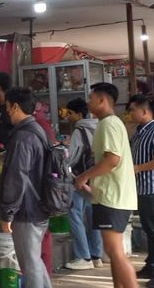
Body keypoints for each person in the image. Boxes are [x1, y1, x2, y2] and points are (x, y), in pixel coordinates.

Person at [75, 83, 138, 288]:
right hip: (113, 195)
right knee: (113, 252)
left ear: (102, 101)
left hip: (113, 197)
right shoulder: (113, 123)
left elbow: (112, 159)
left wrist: (84, 176)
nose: (88, 102)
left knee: (116, 253)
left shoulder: (108, 124)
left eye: (91, 98)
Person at [0, 87, 52, 288]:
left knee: (29, 264)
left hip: (27, 209)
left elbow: (16, 176)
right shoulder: (37, 130)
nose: (6, 111)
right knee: (34, 262)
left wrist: (8, 213)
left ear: (15, 107)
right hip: (39, 205)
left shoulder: (22, 137)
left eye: (7, 107)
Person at [127, 95, 154, 288]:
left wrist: (138, 168)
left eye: (133, 110)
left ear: (144, 111)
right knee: (149, 229)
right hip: (142, 188)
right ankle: (151, 264)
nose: (130, 114)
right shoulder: (138, 132)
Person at [64, 97, 103, 270]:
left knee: (75, 215)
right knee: (94, 218)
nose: (68, 117)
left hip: (80, 178)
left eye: (70, 113)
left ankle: (83, 257)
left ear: (79, 114)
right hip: (97, 177)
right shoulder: (99, 126)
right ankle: (96, 255)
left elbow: (71, 157)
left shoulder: (80, 130)